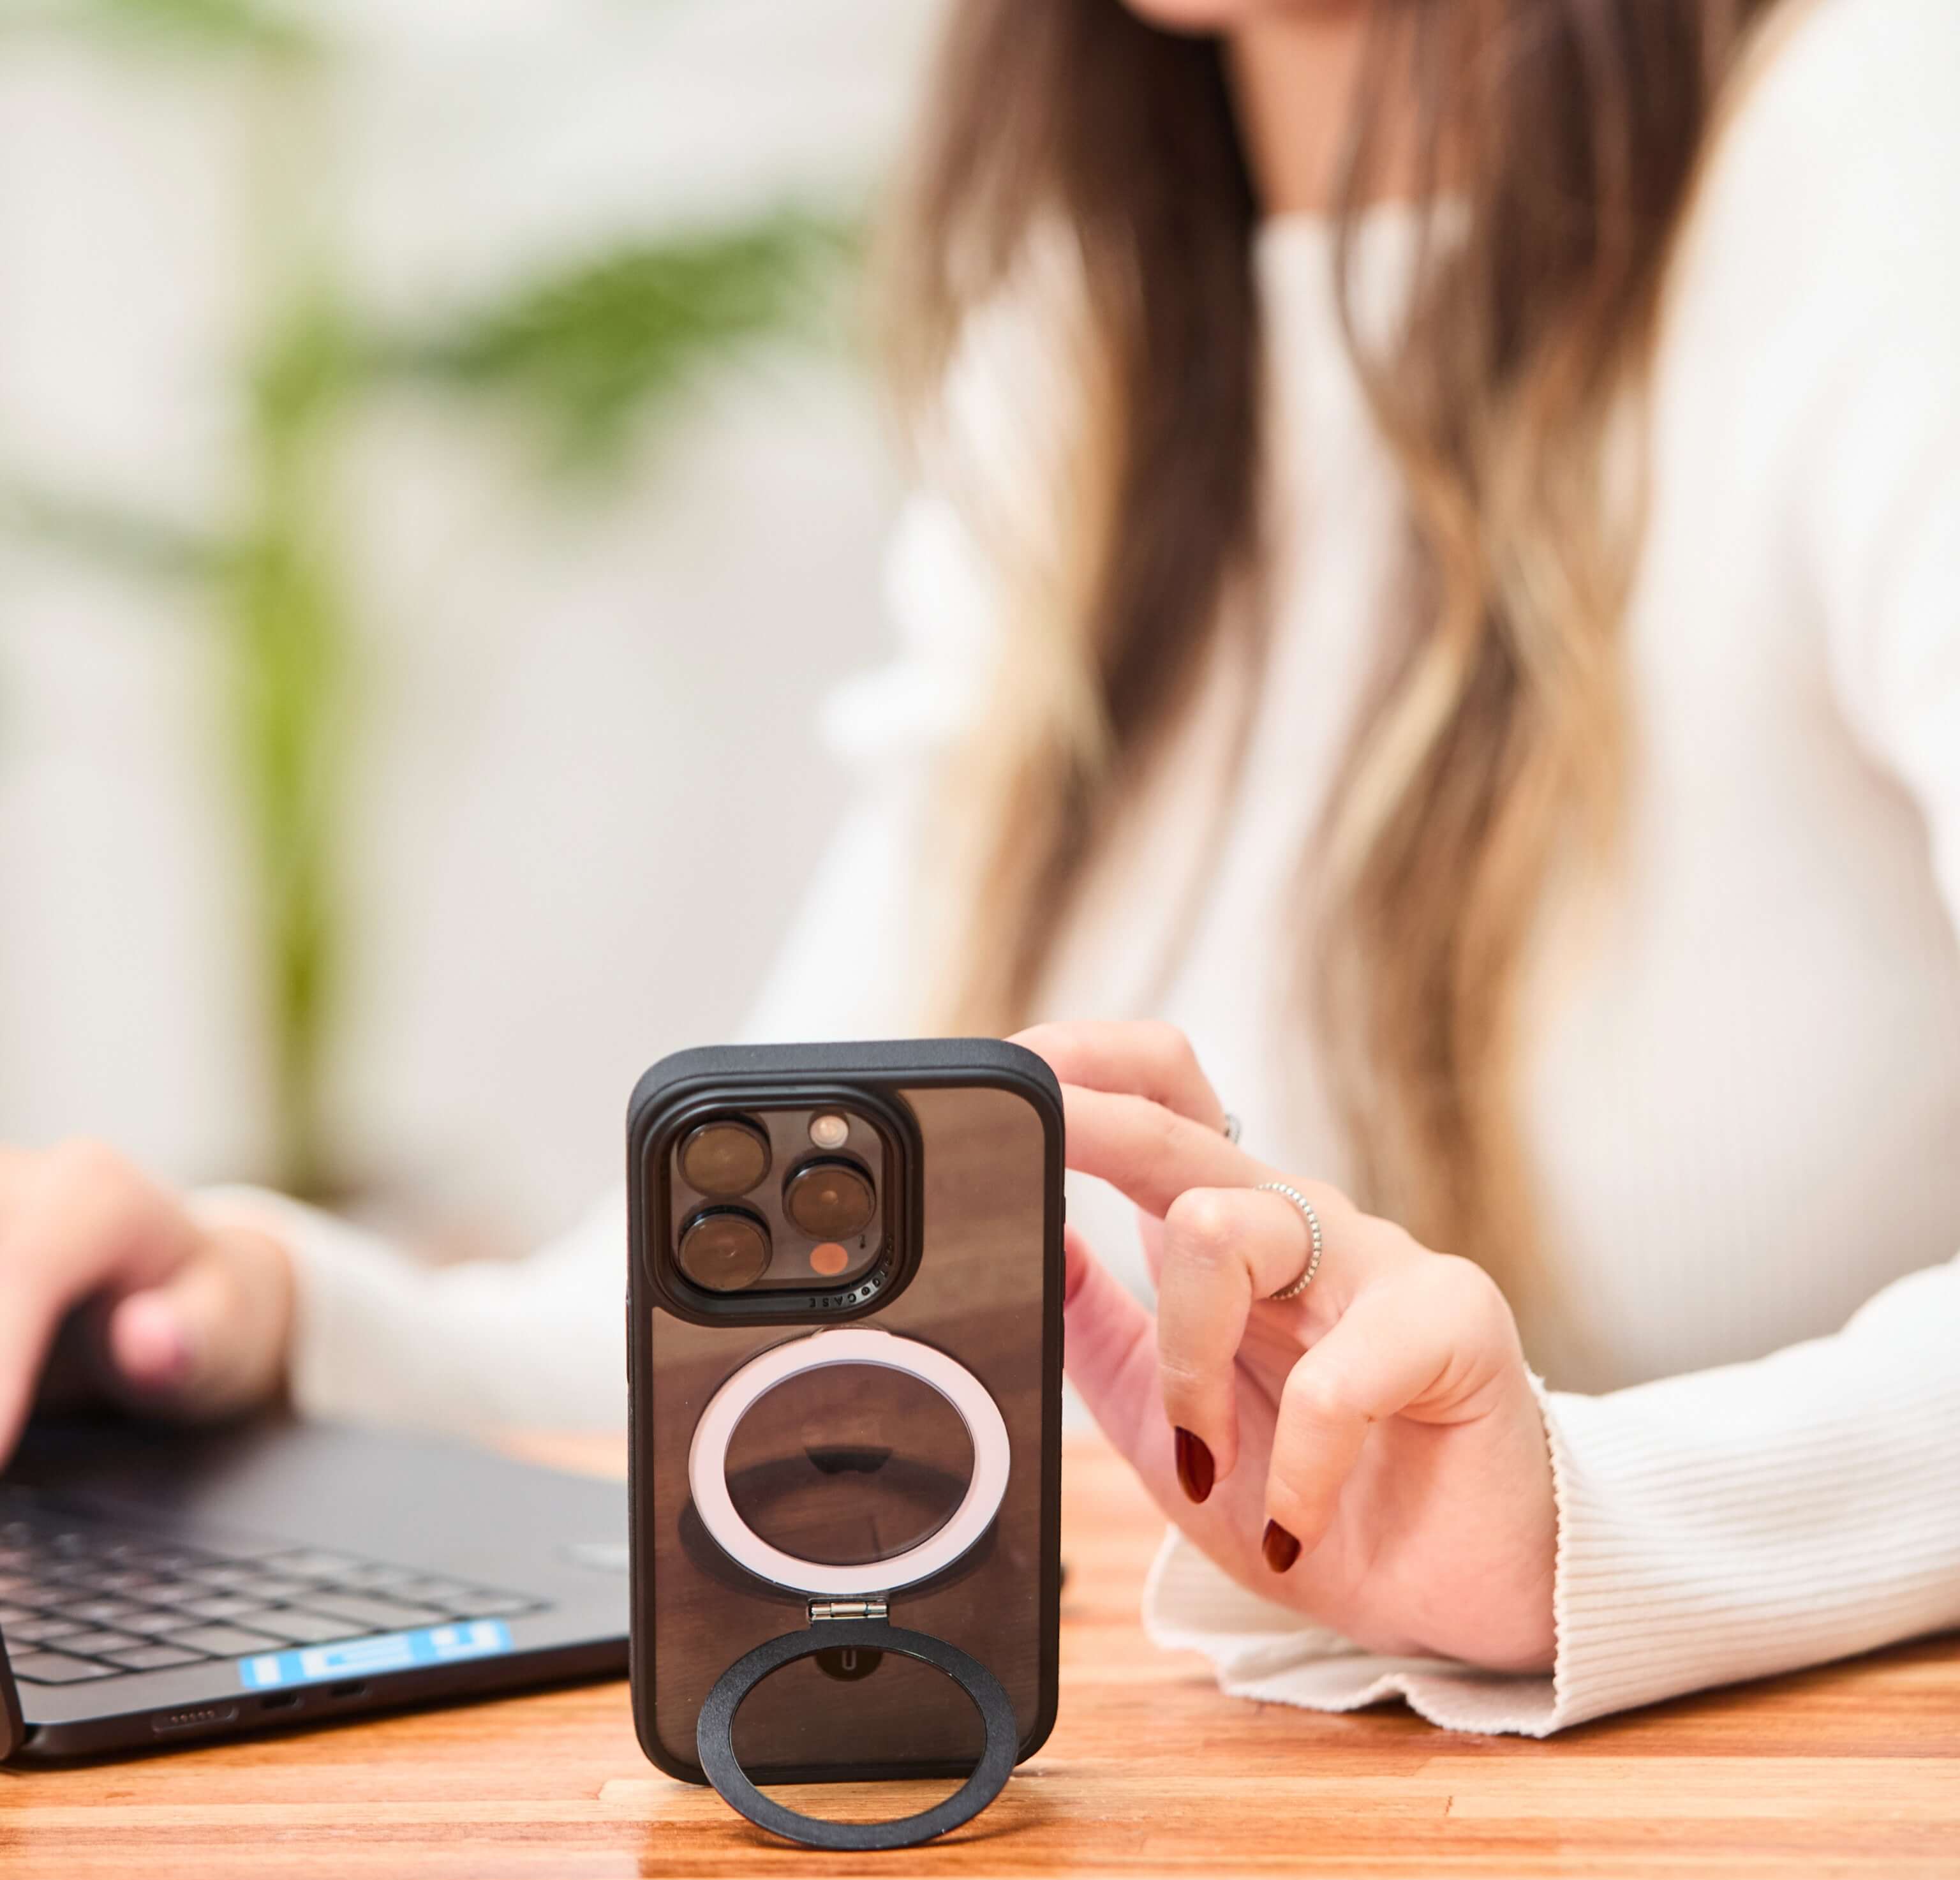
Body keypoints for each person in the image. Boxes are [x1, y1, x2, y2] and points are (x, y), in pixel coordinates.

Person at [1, 0, 1956, 1736]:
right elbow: (746, 1333)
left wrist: (1599, 1524)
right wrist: (246, 1312)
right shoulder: (1088, 349)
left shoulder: (1883, 184)